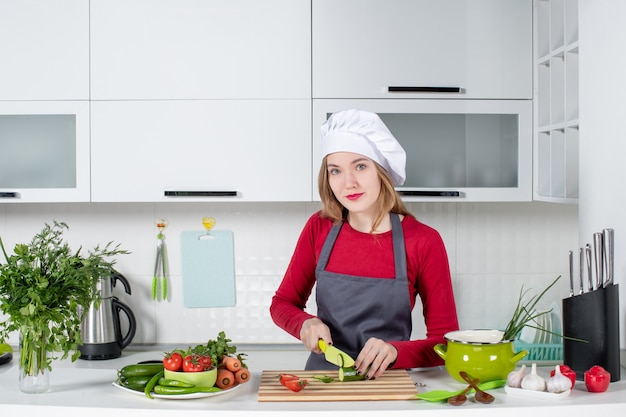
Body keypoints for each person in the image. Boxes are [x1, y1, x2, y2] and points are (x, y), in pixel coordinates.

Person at [270, 109, 459, 379]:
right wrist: (305, 323)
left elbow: (445, 343)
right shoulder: (319, 227)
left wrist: (396, 351)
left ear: (381, 171)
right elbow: (282, 303)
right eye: (336, 171)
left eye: (360, 166)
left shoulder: (423, 241)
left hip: (389, 384)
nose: (349, 183)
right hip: (323, 383)